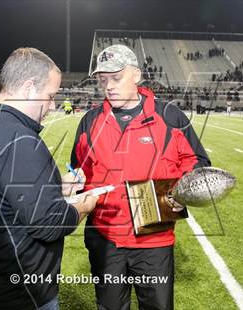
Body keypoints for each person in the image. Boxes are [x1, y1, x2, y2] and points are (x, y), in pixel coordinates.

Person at [0, 47, 98, 310]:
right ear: (29, 87)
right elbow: (50, 223)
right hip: (18, 291)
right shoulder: (19, 138)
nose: (53, 105)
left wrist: (56, 186)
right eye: (50, 95)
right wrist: (85, 204)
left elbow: (2, 195)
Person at [71, 45, 211, 310]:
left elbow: (197, 162)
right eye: (103, 80)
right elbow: (79, 168)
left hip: (154, 240)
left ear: (136, 75)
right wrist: (73, 181)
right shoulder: (90, 121)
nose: (109, 86)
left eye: (116, 77)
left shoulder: (169, 116)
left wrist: (182, 191)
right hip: (105, 237)